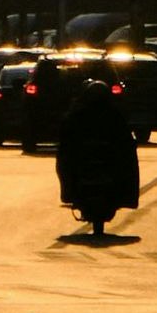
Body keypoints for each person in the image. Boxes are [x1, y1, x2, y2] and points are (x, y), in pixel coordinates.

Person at [53, 78, 139, 236]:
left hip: (107, 159)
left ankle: (125, 194)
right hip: (84, 159)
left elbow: (125, 138)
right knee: (64, 162)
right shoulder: (79, 113)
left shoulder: (112, 114)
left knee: (128, 164)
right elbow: (66, 136)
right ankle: (69, 191)